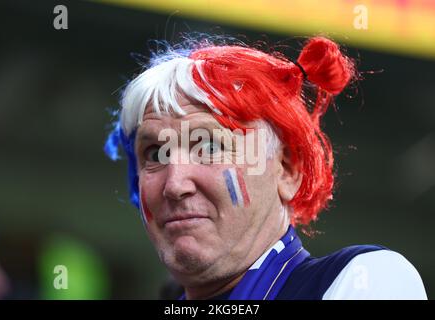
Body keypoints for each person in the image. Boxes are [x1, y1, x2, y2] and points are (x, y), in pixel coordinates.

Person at [105, 35, 427, 300]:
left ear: (287, 169)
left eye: (210, 146)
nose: (175, 184)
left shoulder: (367, 280)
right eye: (156, 153)